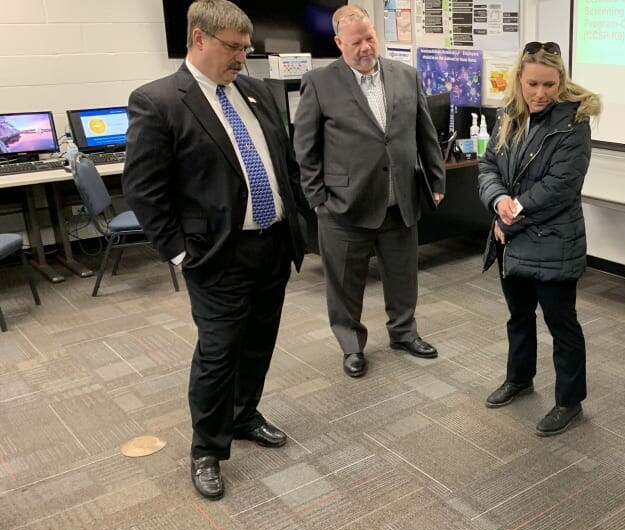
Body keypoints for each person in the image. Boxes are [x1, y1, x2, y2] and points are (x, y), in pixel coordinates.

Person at [123, 0, 313, 500]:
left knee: (259, 341)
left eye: (246, 48)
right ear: (200, 39)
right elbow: (144, 189)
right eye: (233, 47)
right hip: (216, 257)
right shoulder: (159, 100)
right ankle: (207, 448)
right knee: (218, 353)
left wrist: (299, 221)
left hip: (273, 245)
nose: (242, 58)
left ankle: (244, 413)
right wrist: (181, 254)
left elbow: (284, 163)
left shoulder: (255, 92)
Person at [293, 6, 446, 379]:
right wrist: (318, 200)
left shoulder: (405, 76)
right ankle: (351, 346)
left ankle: (404, 333)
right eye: (356, 41)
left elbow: (424, 133)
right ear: (339, 43)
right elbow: (305, 148)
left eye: (370, 38)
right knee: (345, 284)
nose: (365, 47)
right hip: (344, 207)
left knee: (403, 276)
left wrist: (437, 180)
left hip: (400, 200)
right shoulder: (318, 83)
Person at [478, 41, 601, 437]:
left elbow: (559, 188)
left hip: (553, 242)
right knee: (519, 316)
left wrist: (507, 220)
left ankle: (569, 401)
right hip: (513, 241)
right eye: (533, 84)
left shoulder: (573, 123)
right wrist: (498, 201)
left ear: (561, 81)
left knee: (561, 324)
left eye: (549, 84)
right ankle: (519, 378)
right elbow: (488, 165)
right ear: (520, 79)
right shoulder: (508, 115)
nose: (540, 93)